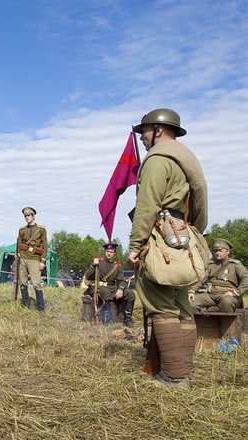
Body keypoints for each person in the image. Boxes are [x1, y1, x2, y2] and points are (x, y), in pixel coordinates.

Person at [128, 108, 208, 388]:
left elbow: (147, 205)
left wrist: (136, 245)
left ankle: (173, 377)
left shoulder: (157, 159)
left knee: (161, 306)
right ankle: (182, 373)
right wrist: (192, 232)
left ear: (158, 130)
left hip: (161, 238)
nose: (142, 138)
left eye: (145, 132)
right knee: (182, 307)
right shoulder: (185, 158)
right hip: (183, 236)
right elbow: (200, 205)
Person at [83, 243, 135, 326]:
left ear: (114, 253)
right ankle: (108, 320)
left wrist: (120, 289)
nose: (109, 253)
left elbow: (122, 280)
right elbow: (88, 276)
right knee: (106, 292)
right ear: (105, 252)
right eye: (107, 251)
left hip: (112, 288)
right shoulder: (98, 263)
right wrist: (93, 265)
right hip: (98, 287)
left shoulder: (117, 266)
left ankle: (127, 319)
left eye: (111, 252)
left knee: (130, 294)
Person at [190, 238, 246, 312]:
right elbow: (202, 279)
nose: (217, 253)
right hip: (211, 295)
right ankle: (199, 319)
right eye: (216, 251)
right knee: (190, 301)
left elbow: (246, 278)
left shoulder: (235, 265)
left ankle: (225, 318)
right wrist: (192, 291)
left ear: (228, 252)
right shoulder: (211, 264)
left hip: (228, 295)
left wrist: (237, 292)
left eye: (220, 251)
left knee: (227, 302)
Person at [16, 207, 47, 311]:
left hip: (35, 259)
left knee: (36, 284)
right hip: (23, 258)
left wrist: (43, 261)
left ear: (33, 216)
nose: (27, 217)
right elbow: (19, 244)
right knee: (23, 283)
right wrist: (18, 254)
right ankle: (26, 305)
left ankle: (41, 308)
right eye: (25, 216)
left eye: (29, 215)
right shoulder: (22, 230)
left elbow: (45, 246)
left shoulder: (41, 229)